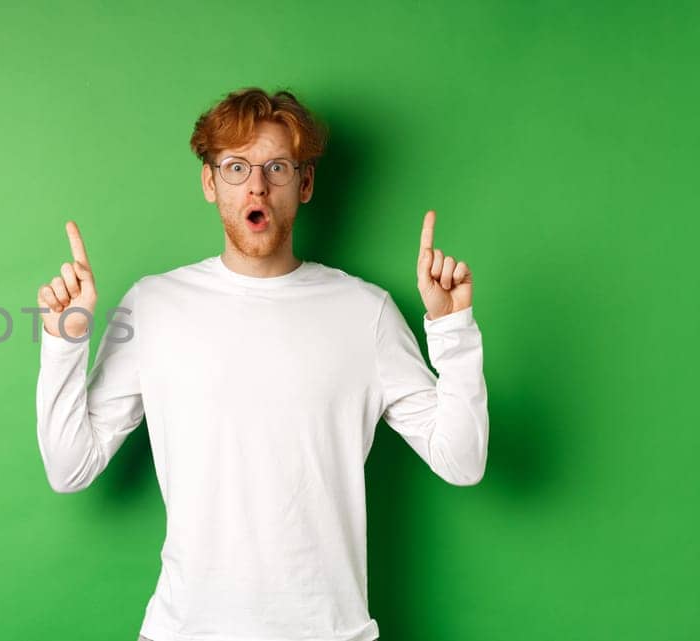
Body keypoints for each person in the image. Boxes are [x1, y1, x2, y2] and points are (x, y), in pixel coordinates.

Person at [33, 87, 487, 641]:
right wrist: (63, 339)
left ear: (305, 183)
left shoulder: (364, 312)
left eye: (276, 166)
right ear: (209, 183)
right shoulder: (153, 306)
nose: (256, 185)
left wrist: (451, 329)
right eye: (235, 167)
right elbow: (69, 467)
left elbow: (461, 462)